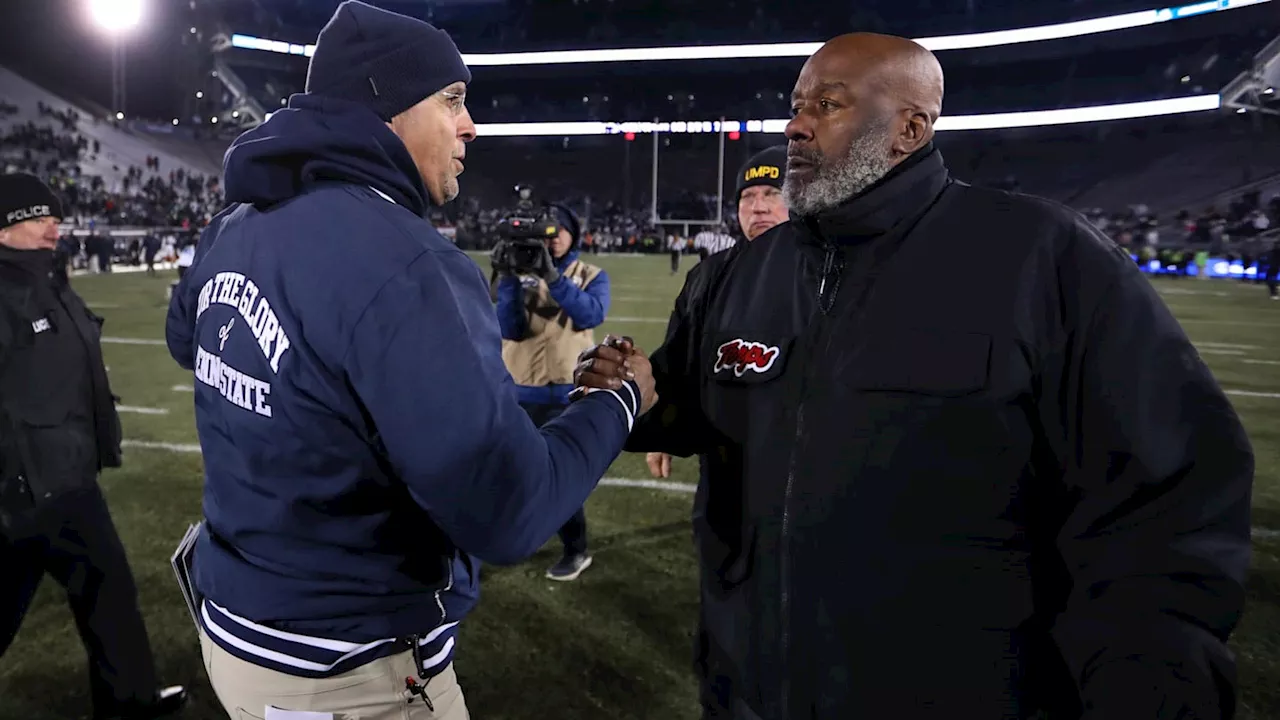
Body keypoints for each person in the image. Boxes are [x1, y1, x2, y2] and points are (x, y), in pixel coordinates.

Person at [576, 33, 1253, 719]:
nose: (795, 124)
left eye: (829, 104)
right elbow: (687, 408)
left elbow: (1162, 497)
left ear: (909, 127)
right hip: (750, 691)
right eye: (797, 104)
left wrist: (1154, 684)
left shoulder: (1038, 258)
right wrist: (630, 390)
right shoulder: (740, 273)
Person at [163, 3, 655, 718]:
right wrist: (615, 405)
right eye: (452, 100)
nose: (470, 125)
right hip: (349, 667)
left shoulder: (233, 223)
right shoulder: (405, 260)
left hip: (237, 628)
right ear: (385, 107)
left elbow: (189, 340)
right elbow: (508, 512)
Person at [0, 173, 186, 720]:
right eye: (37, 216)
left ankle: (129, 700)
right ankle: (129, 702)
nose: (52, 224)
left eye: (54, 215)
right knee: (105, 585)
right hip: (30, 482)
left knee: (99, 587)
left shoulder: (47, 282)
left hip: (60, 473)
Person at [645, 144, 789, 481]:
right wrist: (660, 429)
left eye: (773, 193)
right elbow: (677, 358)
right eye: (747, 196)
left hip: (800, 462)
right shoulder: (706, 276)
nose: (758, 207)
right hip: (722, 462)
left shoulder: (829, 270)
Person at [492, 205, 609, 581]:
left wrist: (554, 278)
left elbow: (590, 314)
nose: (555, 236)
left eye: (562, 230)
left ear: (574, 234)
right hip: (519, 391)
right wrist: (509, 279)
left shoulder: (590, 274)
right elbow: (508, 328)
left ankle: (576, 549)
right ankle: (512, 537)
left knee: (558, 479)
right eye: (549, 230)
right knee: (508, 473)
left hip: (564, 394)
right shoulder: (521, 274)